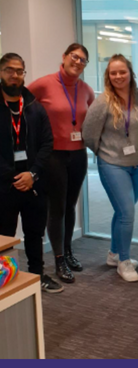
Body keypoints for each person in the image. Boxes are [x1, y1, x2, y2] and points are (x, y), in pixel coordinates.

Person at [28, 44, 95, 284]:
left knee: (70, 206)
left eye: (83, 60)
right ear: (64, 57)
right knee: (55, 208)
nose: (78, 62)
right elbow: (20, 106)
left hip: (78, 155)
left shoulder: (86, 90)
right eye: (74, 57)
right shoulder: (43, 84)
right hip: (53, 156)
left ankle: (68, 252)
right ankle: (58, 260)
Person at [0, 53, 63, 293]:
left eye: (19, 71)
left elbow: (48, 143)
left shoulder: (35, 108)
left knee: (34, 234)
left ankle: (37, 276)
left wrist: (32, 174)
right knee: (4, 235)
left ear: (24, 74)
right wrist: (13, 177)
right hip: (5, 185)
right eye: (8, 70)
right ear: (1, 72)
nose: (14, 75)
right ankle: (4, 279)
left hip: (34, 183)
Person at [83, 54, 138, 282]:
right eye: (113, 72)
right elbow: (89, 135)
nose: (118, 76)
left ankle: (113, 254)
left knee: (122, 211)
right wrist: (106, 154)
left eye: (122, 72)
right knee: (127, 213)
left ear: (130, 73)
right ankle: (124, 262)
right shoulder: (102, 102)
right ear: (108, 75)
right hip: (113, 165)